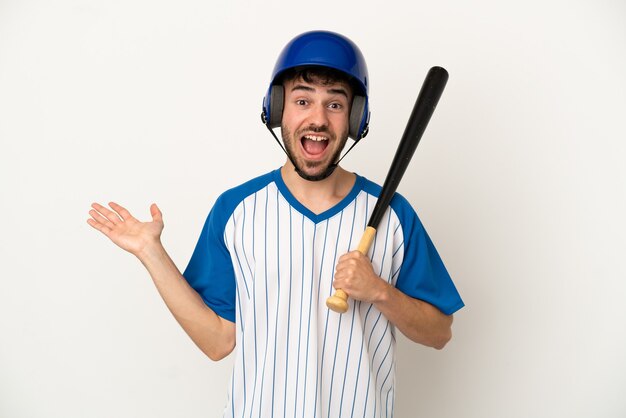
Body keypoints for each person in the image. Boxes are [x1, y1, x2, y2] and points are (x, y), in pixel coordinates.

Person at [87, 30, 464, 417]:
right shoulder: (236, 210)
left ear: (354, 119)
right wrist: (152, 254)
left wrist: (380, 292)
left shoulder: (394, 215)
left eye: (335, 105)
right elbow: (217, 340)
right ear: (278, 108)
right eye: (302, 100)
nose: (318, 119)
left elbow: (440, 333)